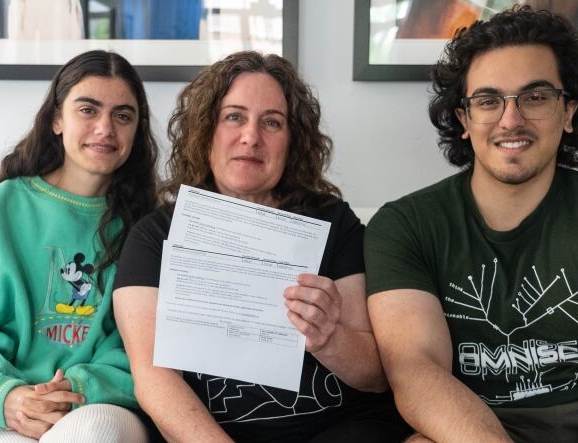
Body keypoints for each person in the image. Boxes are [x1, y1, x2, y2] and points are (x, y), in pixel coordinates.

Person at [364, 6, 578, 443]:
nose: (511, 119)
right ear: (464, 120)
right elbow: (415, 371)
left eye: (535, 97)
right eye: (488, 101)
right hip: (475, 430)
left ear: (569, 112)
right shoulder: (405, 225)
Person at [113, 51, 409, 443]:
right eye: (234, 116)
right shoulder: (155, 237)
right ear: (205, 131)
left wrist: (328, 337)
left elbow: (375, 376)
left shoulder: (333, 222)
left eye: (272, 122)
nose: (251, 137)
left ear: (292, 141)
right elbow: (154, 383)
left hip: (341, 428)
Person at [0, 50, 158, 442]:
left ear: (136, 130)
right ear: (57, 119)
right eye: (88, 110)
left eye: (123, 115)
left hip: (98, 404)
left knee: (92, 432)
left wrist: (75, 390)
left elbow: (150, 349)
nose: (105, 128)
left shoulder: (148, 229)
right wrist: (6, 396)